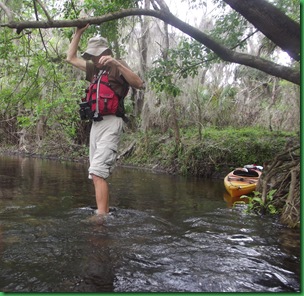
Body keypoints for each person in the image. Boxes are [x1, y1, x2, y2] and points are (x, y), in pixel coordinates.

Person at [66, 24, 144, 216]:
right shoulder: (94, 70)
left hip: (111, 123)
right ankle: (103, 212)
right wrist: (78, 32)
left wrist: (117, 63)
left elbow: (139, 84)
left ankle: (101, 217)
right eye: (91, 56)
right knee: (95, 173)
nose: (94, 59)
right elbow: (70, 58)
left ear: (106, 53)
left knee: (98, 172)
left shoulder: (118, 67)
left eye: (97, 55)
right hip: (96, 124)